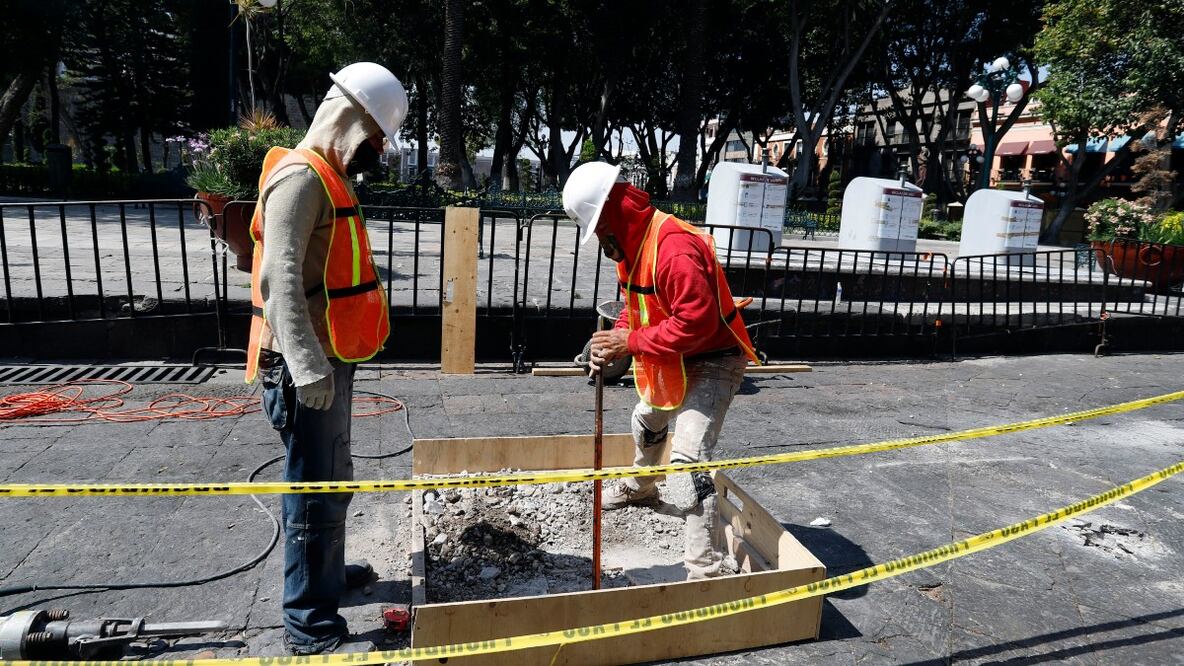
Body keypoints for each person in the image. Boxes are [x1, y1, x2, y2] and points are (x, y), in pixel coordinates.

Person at [243, 62, 407, 655]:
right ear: (352, 119)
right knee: (313, 487)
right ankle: (309, 622)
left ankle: (327, 579)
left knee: (332, 479)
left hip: (326, 360)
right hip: (302, 367)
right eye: (377, 137)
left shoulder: (327, 176)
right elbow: (277, 276)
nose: (377, 152)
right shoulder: (300, 178)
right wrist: (307, 365)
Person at [564, 161, 761, 580]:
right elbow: (635, 309)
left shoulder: (673, 248)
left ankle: (704, 569)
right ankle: (642, 486)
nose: (599, 238)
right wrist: (612, 339)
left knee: (689, 461)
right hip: (675, 355)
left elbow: (697, 323)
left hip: (714, 357)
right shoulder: (633, 247)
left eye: (598, 228)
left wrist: (629, 344)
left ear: (613, 213)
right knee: (646, 420)